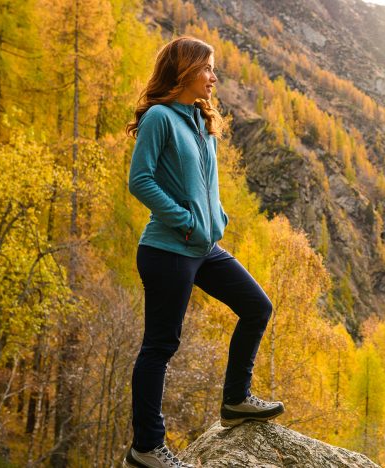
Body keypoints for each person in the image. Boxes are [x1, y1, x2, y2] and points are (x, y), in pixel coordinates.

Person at [123, 36, 284, 468]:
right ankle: (146, 449)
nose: (214, 77)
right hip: (168, 248)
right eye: (208, 68)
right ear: (185, 70)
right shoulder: (160, 117)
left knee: (257, 307)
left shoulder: (199, 118)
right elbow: (140, 180)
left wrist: (218, 215)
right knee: (160, 347)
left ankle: (235, 401)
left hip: (205, 246)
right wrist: (187, 220)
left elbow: (201, 181)